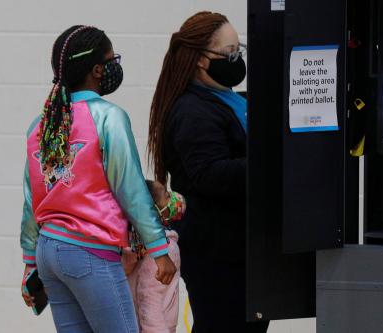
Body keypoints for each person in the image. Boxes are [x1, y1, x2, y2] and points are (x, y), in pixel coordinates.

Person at [19, 25, 176, 333]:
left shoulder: (40, 125)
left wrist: (29, 261)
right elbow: (129, 189)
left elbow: (31, 198)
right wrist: (159, 249)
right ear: (96, 69)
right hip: (89, 251)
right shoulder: (108, 116)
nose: (115, 66)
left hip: (49, 252)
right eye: (111, 59)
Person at [148, 12, 270, 333]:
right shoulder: (192, 111)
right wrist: (271, 164)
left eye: (238, 50)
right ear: (202, 60)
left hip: (242, 249)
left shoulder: (228, 99)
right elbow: (210, 174)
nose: (236, 59)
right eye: (229, 53)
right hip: (218, 253)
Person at [122, 180, 185, 333]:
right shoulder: (164, 250)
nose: (175, 198)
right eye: (167, 196)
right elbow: (150, 300)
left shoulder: (134, 245)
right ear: (154, 210)